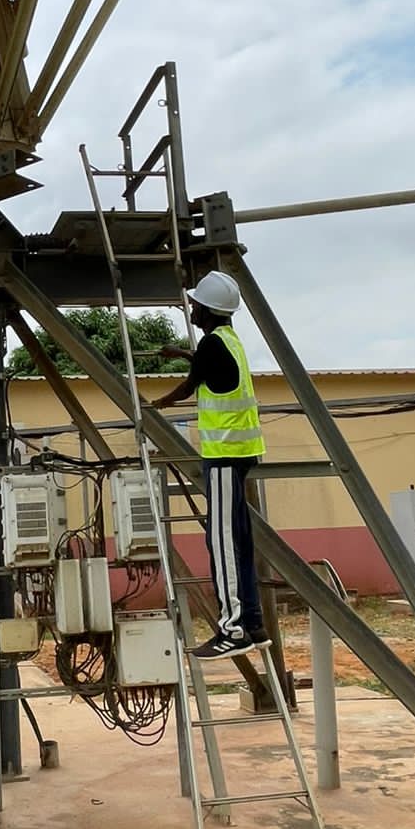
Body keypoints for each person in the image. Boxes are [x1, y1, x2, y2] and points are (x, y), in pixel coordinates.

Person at [153, 269, 269, 658]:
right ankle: (252, 622)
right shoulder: (227, 341)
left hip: (222, 455)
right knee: (240, 540)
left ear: (208, 310)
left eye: (195, 304)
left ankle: (232, 629)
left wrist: (157, 406)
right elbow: (204, 365)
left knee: (221, 542)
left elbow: (190, 384)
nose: (191, 308)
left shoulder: (211, 347)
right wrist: (182, 354)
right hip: (241, 455)